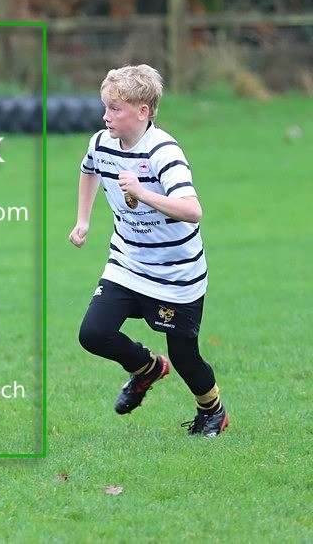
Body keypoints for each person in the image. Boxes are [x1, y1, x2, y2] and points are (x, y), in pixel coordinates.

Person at [69, 64, 227, 437]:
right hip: (127, 261)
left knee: (186, 357)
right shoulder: (101, 142)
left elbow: (193, 211)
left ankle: (212, 410)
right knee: (93, 334)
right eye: (105, 107)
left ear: (143, 111)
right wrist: (83, 220)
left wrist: (142, 193)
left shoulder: (163, 151)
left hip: (175, 272)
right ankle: (146, 368)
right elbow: (89, 169)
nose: (106, 116)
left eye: (115, 109)